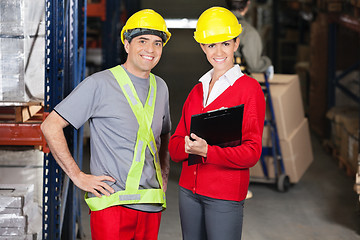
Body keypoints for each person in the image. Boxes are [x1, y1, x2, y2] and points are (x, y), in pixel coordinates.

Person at [41, 9, 171, 240]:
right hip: (112, 206)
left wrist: (165, 178)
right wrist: (78, 176)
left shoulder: (161, 87)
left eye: (157, 43)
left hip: (151, 203)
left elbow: (164, 136)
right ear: (127, 44)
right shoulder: (99, 84)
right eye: (142, 41)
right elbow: (50, 126)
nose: (150, 50)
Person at [168, 7, 265, 240]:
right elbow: (173, 148)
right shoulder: (197, 90)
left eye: (225, 43)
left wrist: (208, 152)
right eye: (211, 45)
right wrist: (187, 147)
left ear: (236, 43)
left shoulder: (249, 90)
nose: (218, 51)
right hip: (188, 192)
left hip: (225, 194)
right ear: (203, 47)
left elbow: (251, 153)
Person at [227, 0, 272, 74]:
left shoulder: (215, 28)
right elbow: (254, 66)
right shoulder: (248, 32)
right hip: (240, 81)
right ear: (248, 3)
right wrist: (267, 63)